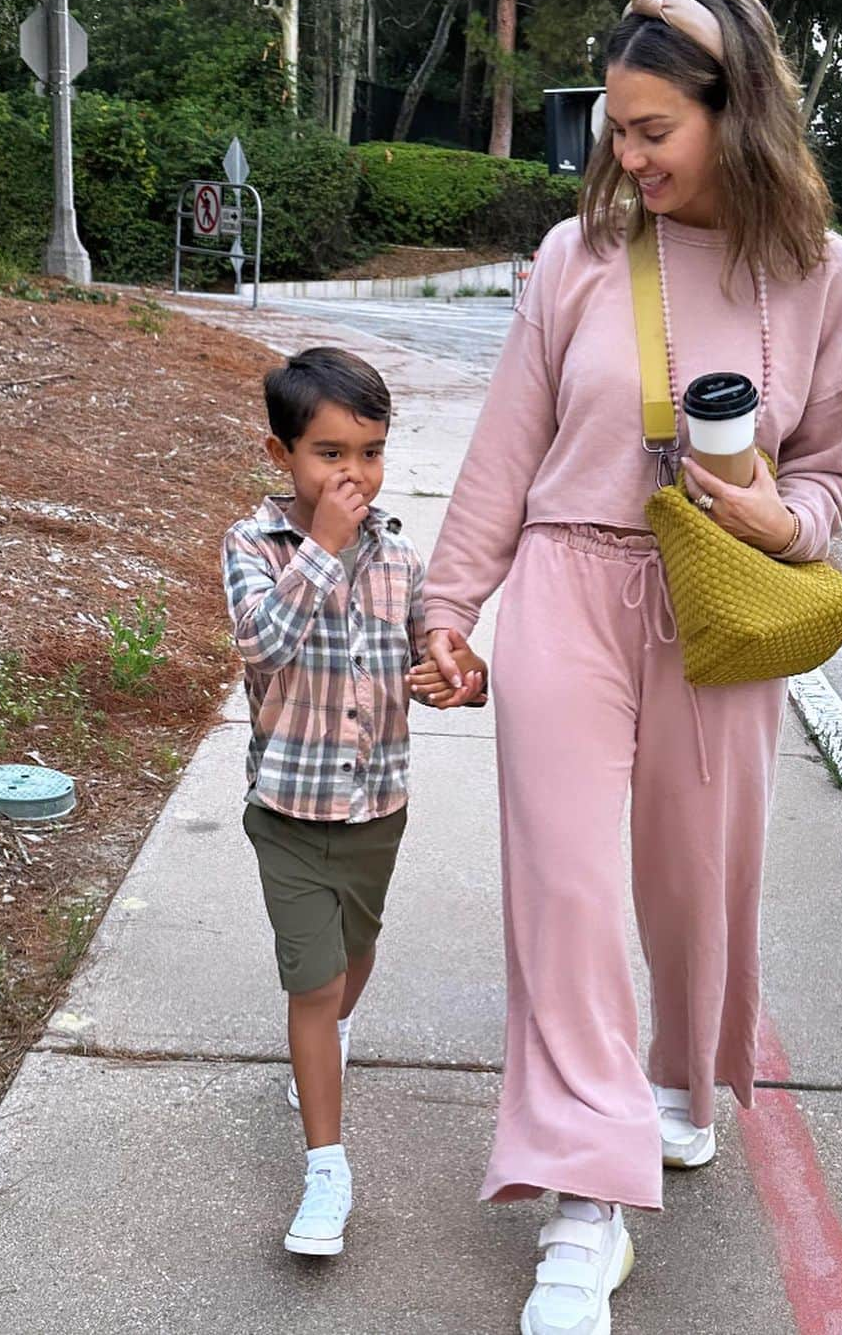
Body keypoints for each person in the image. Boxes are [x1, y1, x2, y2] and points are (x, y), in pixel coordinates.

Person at [408, 0, 842, 1330]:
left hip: (718, 601)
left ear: (740, 115)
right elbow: (506, 444)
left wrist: (792, 518)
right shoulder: (577, 258)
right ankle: (583, 1200)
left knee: (692, 874)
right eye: (615, 130)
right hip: (570, 575)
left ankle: (677, 1079)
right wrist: (451, 604)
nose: (629, 157)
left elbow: (836, 465)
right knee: (562, 884)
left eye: (655, 128)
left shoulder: (824, 275)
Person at [222, 347, 485, 1257]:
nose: (353, 474)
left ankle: (323, 1052)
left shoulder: (400, 556)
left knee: (355, 957)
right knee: (316, 979)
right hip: (289, 813)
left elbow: (435, 650)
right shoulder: (253, 548)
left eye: (369, 452)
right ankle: (325, 1170)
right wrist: (324, 548)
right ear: (280, 453)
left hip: (378, 808)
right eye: (329, 453)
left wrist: (461, 674)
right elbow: (261, 644)